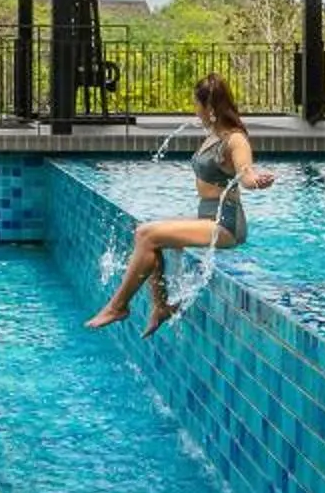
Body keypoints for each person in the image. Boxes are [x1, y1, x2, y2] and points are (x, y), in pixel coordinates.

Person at [87, 73, 274, 333]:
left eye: (196, 104)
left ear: (209, 107)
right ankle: (160, 306)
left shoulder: (235, 139)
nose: (194, 110)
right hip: (207, 219)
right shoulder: (213, 136)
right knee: (148, 234)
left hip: (226, 225)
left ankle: (118, 306)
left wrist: (256, 181)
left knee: (147, 234)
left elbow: (245, 173)